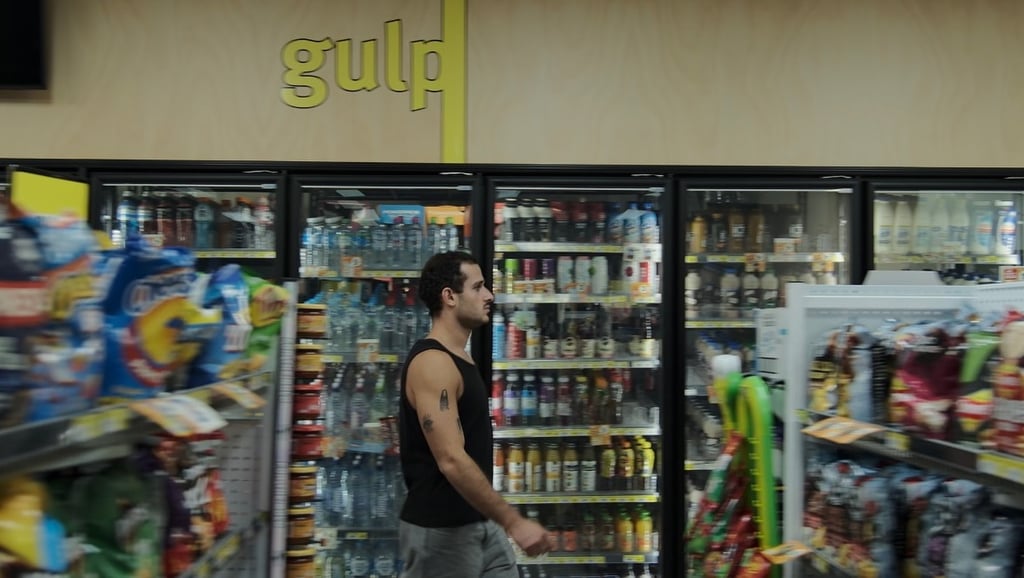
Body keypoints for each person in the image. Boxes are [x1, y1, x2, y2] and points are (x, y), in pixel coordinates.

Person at [398, 251, 551, 577]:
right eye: (478, 287)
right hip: (441, 531)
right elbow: (451, 459)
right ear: (449, 296)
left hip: (480, 520)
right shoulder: (434, 363)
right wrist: (513, 521)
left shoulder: (459, 357)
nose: (489, 295)